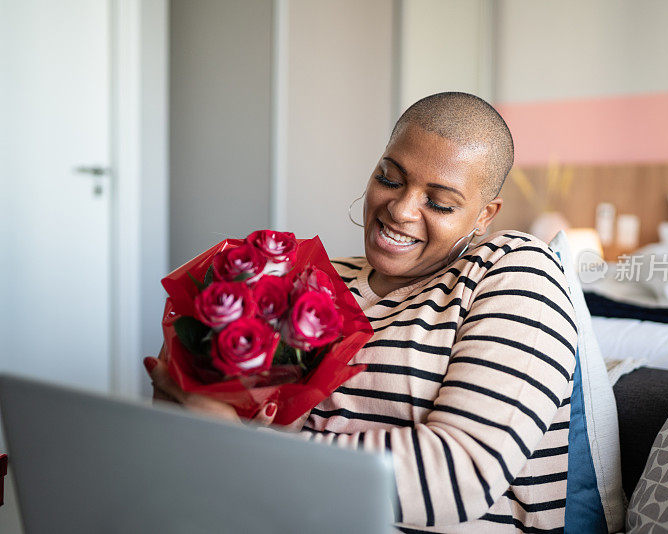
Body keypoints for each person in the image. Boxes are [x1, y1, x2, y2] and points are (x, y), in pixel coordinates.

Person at [145, 92, 578, 533]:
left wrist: (248, 447)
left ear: (484, 215)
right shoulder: (317, 280)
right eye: (390, 179)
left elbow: (459, 476)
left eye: (440, 203)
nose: (401, 210)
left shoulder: (512, 269)